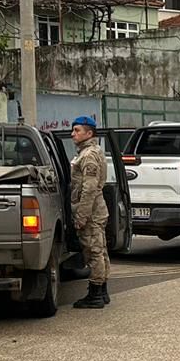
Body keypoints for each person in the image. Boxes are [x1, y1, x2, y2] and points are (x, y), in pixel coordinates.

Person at [69, 116, 111, 308]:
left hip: (91, 211)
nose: (73, 134)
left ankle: (95, 295)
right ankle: (102, 292)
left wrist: (81, 216)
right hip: (97, 210)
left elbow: (89, 189)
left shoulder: (88, 156)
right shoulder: (92, 151)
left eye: (77, 130)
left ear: (89, 133)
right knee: (100, 251)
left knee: (94, 252)